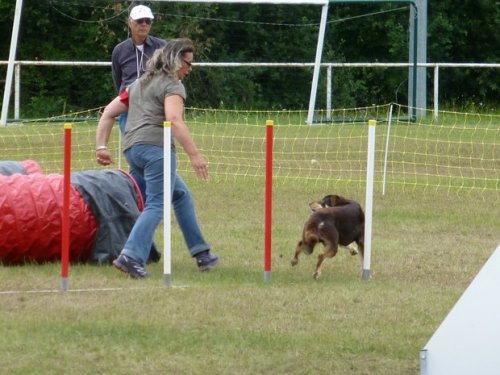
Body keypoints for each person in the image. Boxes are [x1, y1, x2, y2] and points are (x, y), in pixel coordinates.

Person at [96, 39, 219, 278]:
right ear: (175, 60)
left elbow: (109, 113)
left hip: (134, 151)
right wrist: (195, 155)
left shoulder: (137, 84)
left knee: (180, 194)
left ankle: (202, 253)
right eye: (188, 63)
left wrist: (101, 146)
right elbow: (174, 120)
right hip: (156, 150)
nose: (189, 69)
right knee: (156, 204)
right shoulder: (173, 85)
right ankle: (130, 256)